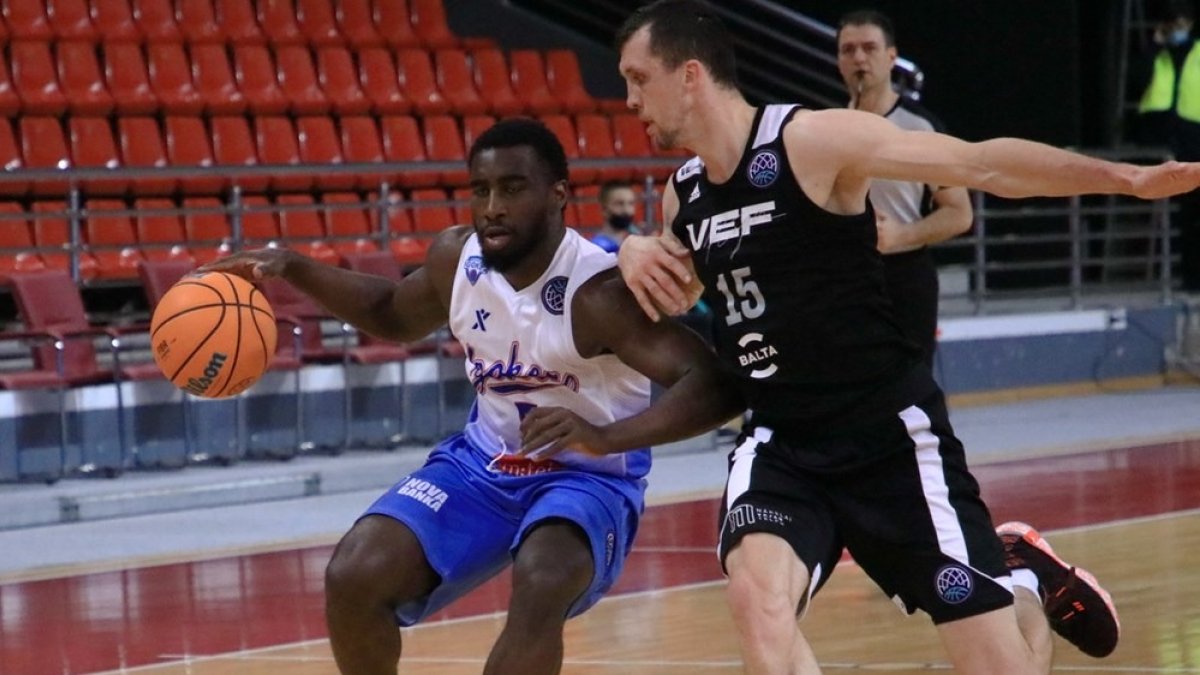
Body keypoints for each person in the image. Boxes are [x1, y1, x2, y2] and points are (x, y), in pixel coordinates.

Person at [609, 0, 1197, 671]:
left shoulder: (812, 142)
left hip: (888, 437)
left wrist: (1124, 179)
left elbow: (980, 164)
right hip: (783, 445)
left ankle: (1026, 582)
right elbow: (669, 282)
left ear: (689, 75)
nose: (628, 99)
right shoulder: (682, 196)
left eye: (637, 77)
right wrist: (630, 252)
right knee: (756, 602)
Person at [198, 118, 741, 675]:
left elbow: (716, 384)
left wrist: (605, 437)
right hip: (482, 466)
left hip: (586, 477)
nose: (492, 207)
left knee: (542, 580)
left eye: (512, 188)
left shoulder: (600, 292)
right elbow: (391, 314)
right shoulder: (457, 258)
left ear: (558, 196)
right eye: (480, 190)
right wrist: (291, 266)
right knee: (353, 574)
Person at [837, 9, 973, 365]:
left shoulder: (919, 126)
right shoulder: (829, 129)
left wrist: (901, 235)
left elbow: (960, 213)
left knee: (911, 389)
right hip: (847, 277)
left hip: (904, 275)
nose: (859, 58)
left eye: (869, 47)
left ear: (891, 57)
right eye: (848, 50)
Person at [1136, 0, 1200, 291]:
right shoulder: (1159, 53)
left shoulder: (1197, 51)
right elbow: (1139, 78)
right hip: (1163, 132)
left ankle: (1193, 278)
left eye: (1183, 24)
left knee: (1194, 211)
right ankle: (1185, 277)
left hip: (1193, 132)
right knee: (1180, 213)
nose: (1179, 30)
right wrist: (1155, 45)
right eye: (1174, 24)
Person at [592, 179, 644, 253]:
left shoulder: (636, 239)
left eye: (631, 203)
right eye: (619, 204)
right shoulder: (598, 247)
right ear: (604, 209)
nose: (627, 210)